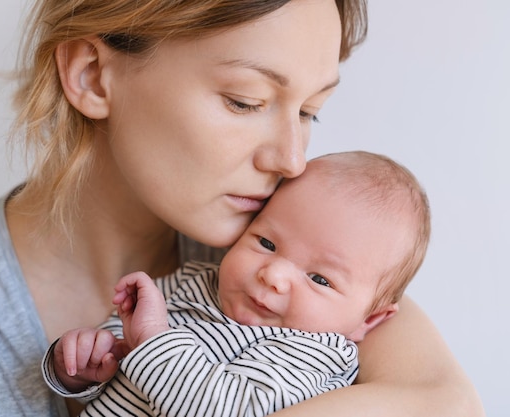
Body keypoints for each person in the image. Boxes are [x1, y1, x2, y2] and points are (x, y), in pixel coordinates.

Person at [0, 1, 484, 416]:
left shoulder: (295, 252)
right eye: (246, 101)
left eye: (309, 111)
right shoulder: (257, 252)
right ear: (93, 76)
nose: (291, 161)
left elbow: (449, 404)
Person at [42, 151, 431, 416]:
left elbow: (228, 409)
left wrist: (154, 340)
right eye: (266, 243)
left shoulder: (314, 355)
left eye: (319, 279)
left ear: (371, 320)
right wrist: (85, 364)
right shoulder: (198, 280)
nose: (274, 275)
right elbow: (127, 348)